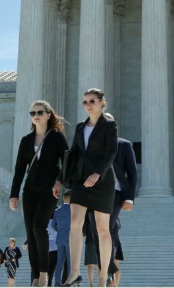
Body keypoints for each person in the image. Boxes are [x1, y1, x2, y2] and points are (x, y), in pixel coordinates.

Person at [54, 88, 118, 287]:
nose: (88, 105)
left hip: (103, 181)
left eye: (92, 101)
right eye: (85, 102)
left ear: (102, 103)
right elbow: (72, 153)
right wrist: (59, 179)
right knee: (75, 223)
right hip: (81, 181)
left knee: (102, 228)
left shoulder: (109, 125)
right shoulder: (81, 127)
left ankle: (102, 276)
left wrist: (98, 173)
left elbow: (111, 152)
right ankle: (74, 272)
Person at [10, 100, 69, 287]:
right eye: (33, 112)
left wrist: (60, 181)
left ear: (48, 115)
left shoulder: (57, 137)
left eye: (40, 112)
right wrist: (13, 194)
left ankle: (44, 272)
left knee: (39, 227)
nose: (35, 115)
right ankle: (35, 274)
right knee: (30, 230)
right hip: (30, 190)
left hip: (50, 189)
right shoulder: (26, 140)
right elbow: (20, 169)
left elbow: (66, 162)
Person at [88, 136, 138, 282]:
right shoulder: (89, 144)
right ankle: (108, 270)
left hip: (115, 192)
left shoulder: (124, 144)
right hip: (92, 193)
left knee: (106, 228)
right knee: (96, 231)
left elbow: (132, 171)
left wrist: (129, 197)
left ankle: (108, 272)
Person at [52, 193, 72, 286]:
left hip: (60, 238)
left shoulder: (57, 211)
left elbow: (53, 225)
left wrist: (59, 230)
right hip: (70, 238)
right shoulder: (72, 210)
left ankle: (57, 283)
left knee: (59, 262)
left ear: (63, 199)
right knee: (70, 262)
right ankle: (69, 282)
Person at [48, 218, 58, 287]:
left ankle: (48, 284)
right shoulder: (55, 221)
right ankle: (49, 284)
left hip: (48, 249)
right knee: (52, 270)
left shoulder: (45, 221)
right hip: (55, 248)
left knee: (48, 270)